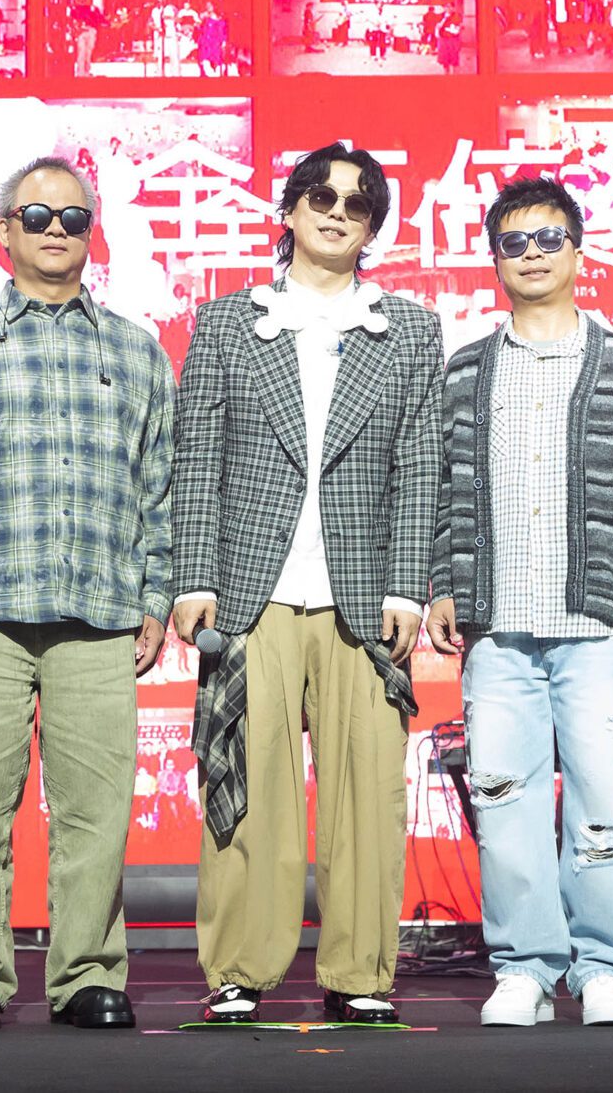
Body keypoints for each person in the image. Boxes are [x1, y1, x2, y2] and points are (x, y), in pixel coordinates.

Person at [0, 157, 175, 1033]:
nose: (56, 229)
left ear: (92, 233)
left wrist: (156, 594)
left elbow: (159, 486)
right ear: (4, 232)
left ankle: (87, 973)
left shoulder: (136, 349)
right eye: (38, 215)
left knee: (96, 810)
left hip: (101, 613)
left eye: (73, 217)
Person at [173, 143, 443, 1026]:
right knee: (249, 781)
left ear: (374, 227)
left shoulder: (408, 330)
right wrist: (192, 577)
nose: (336, 212)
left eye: (357, 203)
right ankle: (239, 967)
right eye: (320, 196)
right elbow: (197, 457)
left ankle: (360, 969)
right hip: (250, 589)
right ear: (289, 210)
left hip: (363, 596)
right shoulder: (227, 321)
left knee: (368, 787)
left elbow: (419, 463)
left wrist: (406, 587)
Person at [425, 177, 613, 1028]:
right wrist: (444, 583)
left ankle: (603, 964)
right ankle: (524, 965)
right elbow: (446, 490)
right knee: (504, 803)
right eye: (514, 241)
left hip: (601, 624)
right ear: (494, 258)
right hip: (498, 627)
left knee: (606, 802)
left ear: (578, 249)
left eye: (548, 237)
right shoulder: (467, 369)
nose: (531, 253)